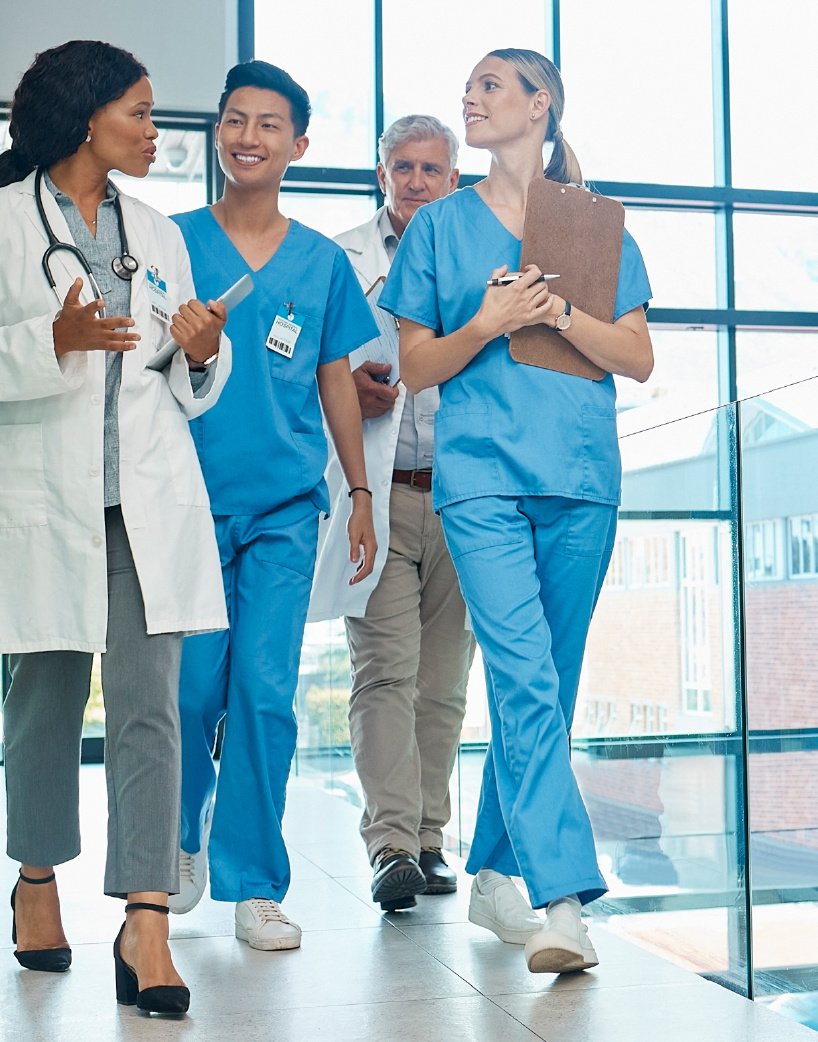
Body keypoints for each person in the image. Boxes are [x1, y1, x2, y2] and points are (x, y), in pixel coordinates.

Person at [0, 40, 232, 1015]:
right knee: (43, 712)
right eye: (139, 113)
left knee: (152, 712)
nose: (154, 131)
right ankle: (35, 880)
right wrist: (47, 339)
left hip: (144, 509)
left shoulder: (160, 233)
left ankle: (146, 919)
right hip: (40, 508)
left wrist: (200, 351)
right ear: (84, 115)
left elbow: (185, 388)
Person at [379, 48, 653, 973]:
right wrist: (488, 326)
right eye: (471, 87)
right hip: (481, 480)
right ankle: (564, 900)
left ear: (541, 104)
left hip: (581, 479)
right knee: (526, 682)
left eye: (491, 85)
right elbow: (416, 367)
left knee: (551, 690)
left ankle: (494, 868)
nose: (472, 96)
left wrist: (559, 316)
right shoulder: (438, 229)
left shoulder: (594, 222)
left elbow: (637, 355)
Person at [168, 60, 379, 951]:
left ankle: (254, 881)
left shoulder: (322, 263)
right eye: (233, 121)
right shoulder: (171, 240)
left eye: (266, 124)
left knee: (264, 691)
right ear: (217, 132)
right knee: (185, 692)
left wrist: (360, 490)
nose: (247, 136)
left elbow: (337, 378)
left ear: (298, 144)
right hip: (181, 503)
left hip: (288, 510)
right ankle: (178, 846)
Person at [308, 115, 477, 912]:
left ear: (454, 178)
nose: (415, 180)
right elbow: (307, 370)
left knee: (443, 684)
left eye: (431, 169)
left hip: (462, 497)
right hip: (376, 494)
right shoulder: (339, 259)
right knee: (385, 673)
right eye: (402, 167)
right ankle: (391, 848)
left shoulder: (482, 256)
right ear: (381, 173)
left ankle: (432, 839)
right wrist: (342, 387)